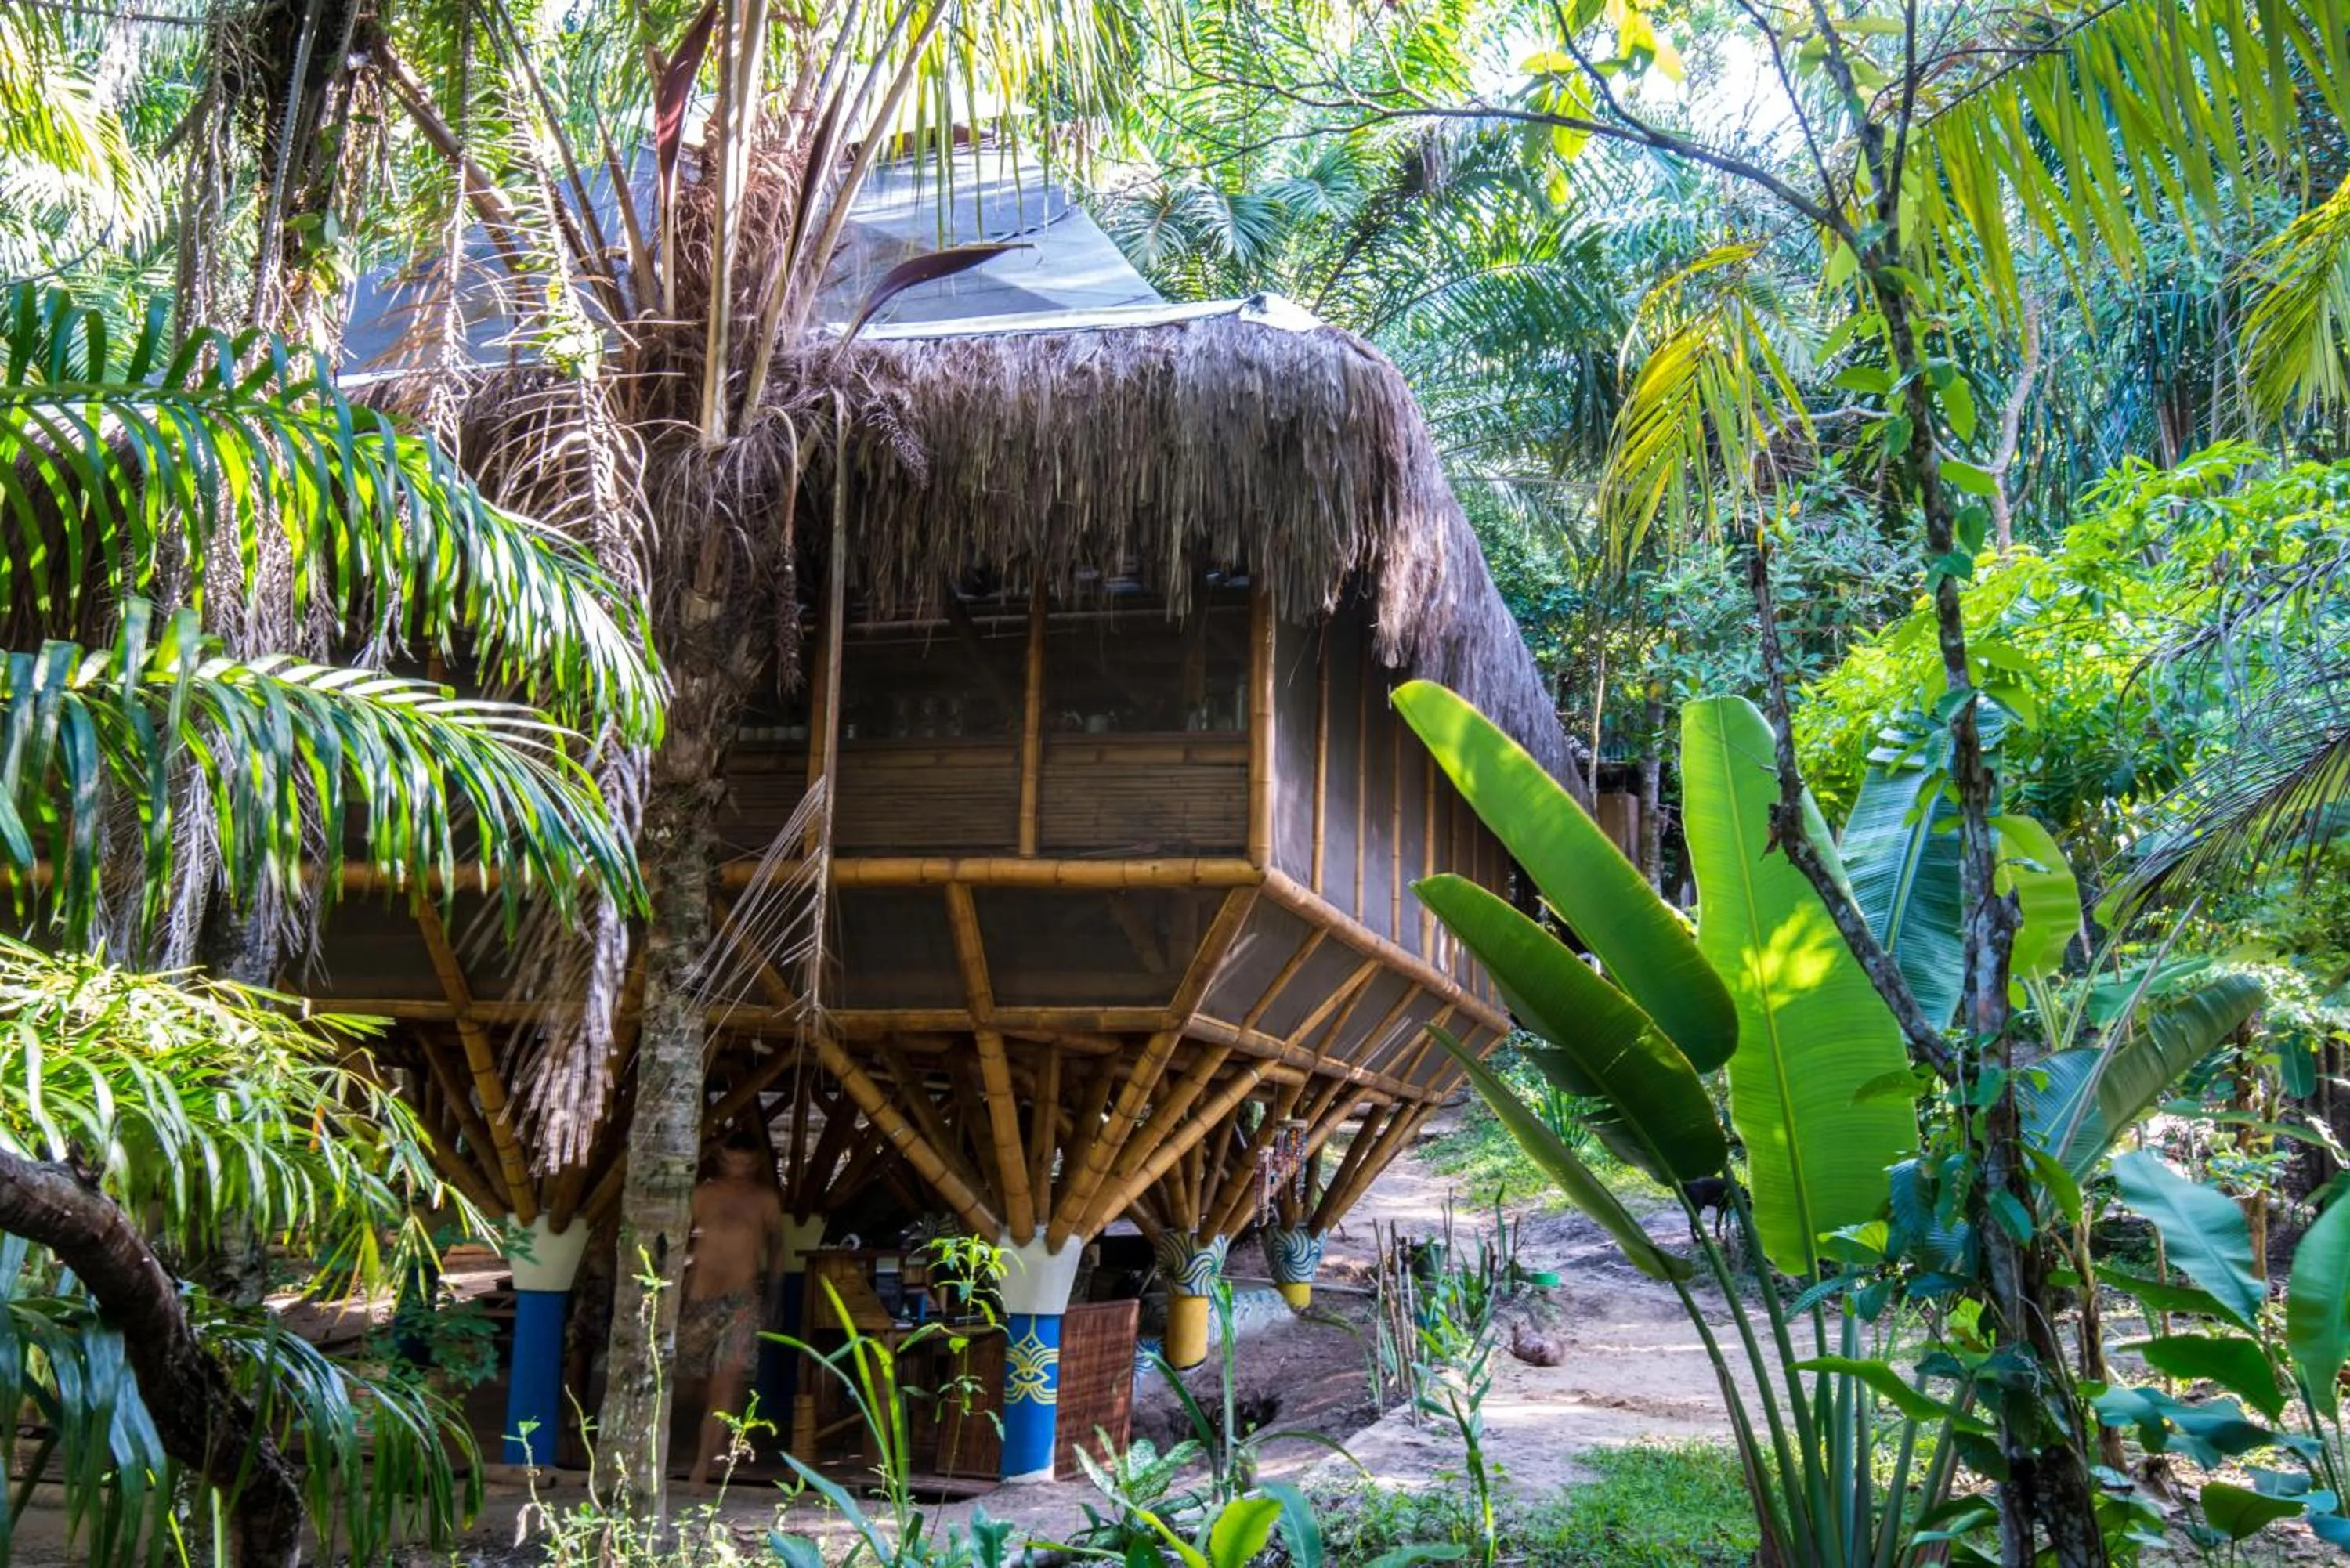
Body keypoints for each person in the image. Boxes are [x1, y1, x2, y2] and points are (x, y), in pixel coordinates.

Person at [678, 1131, 788, 1485]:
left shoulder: (765, 1201)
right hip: (699, 1297)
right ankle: (709, 1444)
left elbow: (777, 1251)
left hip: (742, 1301)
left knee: (724, 1385)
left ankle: (702, 1466)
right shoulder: (704, 1195)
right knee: (688, 1385)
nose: (739, 1169)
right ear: (721, 1158)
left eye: (747, 1163)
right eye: (733, 1160)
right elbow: (679, 1242)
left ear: (756, 1163)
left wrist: (774, 1295)